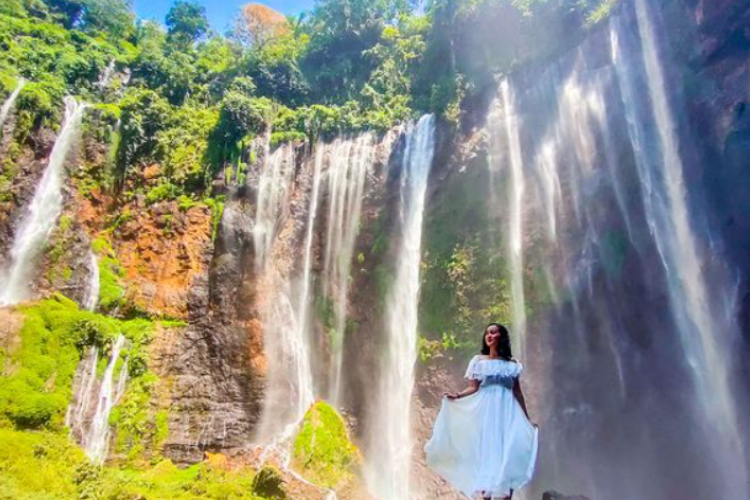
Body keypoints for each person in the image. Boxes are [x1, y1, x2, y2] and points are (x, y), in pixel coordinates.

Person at [424, 323, 539, 500]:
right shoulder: (479, 361)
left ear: (502, 336)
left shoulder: (513, 364)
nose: (489, 336)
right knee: (489, 450)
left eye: (493, 332)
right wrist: (457, 395)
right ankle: (486, 493)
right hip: (487, 413)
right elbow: (473, 387)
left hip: (508, 412)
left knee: (506, 451)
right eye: (487, 333)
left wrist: (526, 419)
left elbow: (517, 392)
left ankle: (504, 493)